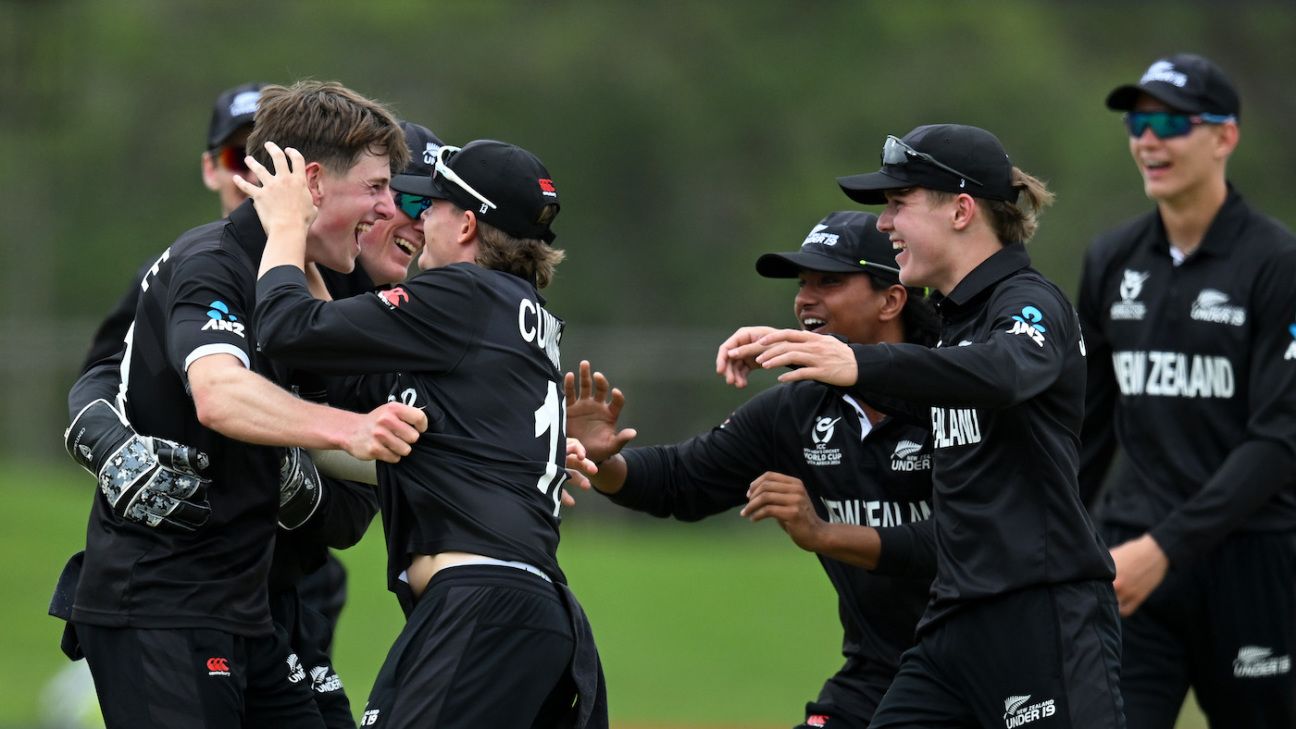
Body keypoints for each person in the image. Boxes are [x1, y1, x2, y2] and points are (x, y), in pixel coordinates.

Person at [719, 124, 1124, 728]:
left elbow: (1002, 371)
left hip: (1041, 618)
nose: (884, 224)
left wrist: (855, 361)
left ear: (962, 210)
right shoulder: (956, 325)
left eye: (898, 203)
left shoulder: (1029, 303)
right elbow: (925, 377)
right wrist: (799, 346)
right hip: (951, 628)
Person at [55, 80, 427, 729]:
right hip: (162, 604)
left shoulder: (323, 290)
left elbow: (359, 486)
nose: (389, 208)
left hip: (248, 608)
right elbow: (217, 392)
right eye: (375, 187)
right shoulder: (210, 260)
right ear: (312, 183)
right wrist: (349, 429)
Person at [241, 138, 606, 728]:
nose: (418, 214)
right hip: (524, 611)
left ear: (466, 224)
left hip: (481, 606)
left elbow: (287, 328)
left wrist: (287, 225)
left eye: (431, 205)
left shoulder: (463, 296)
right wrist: (313, 259)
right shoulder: (508, 311)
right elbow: (347, 379)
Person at [565, 210, 940, 729]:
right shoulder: (798, 408)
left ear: (891, 299)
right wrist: (604, 463)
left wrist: (825, 534)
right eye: (803, 282)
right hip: (880, 673)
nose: (805, 297)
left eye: (829, 281)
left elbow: (960, 541)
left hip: (987, 667)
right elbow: (681, 481)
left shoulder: (956, 394)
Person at [1078, 53, 1296, 728]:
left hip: (1251, 561)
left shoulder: (1276, 263)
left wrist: (1166, 546)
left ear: (1224, 137)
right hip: (1129, 561)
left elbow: (1280, 439)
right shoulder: (1110, 259)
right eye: (1138, 122)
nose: (1148, 139)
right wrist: (1060, 538)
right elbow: (1088, 425)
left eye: (1170, 121)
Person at [81, 81, 267, 371]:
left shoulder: (338, 268)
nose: (254, 176)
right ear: (210, 169)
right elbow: (101, 379)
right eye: (239, 159)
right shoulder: (164, 274)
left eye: (267, 158)